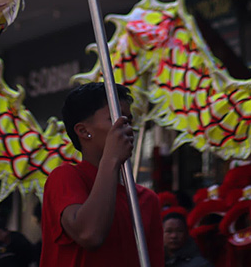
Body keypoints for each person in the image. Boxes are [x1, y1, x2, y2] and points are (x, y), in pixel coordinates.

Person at [39, 83, 162, 267]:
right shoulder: (65, 177)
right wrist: (111, 158)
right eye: (115, 119)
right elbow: (89, 234)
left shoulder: (146, 199)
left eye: (128, 120)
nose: (126, 128)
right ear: (83, 131)